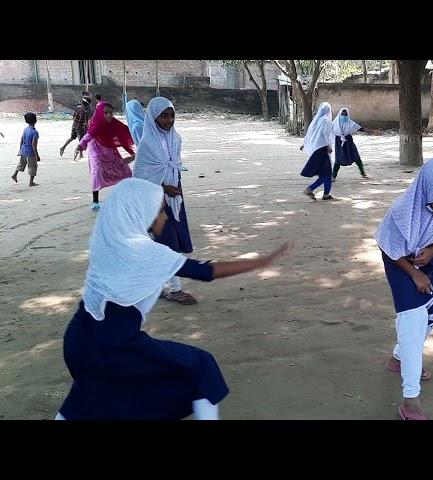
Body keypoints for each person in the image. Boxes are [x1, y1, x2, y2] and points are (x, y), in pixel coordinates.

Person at [53, 178, 292, 420]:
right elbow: (206, 272)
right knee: (201, 366)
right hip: (114, 346)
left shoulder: (108, 243)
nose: (165, 217)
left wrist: (163, 190)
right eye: (160, 211)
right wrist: (259, 262)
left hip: (77, 342)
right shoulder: (147, 253)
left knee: (89, 391)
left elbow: (131, 195)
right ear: (142, 213)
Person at [375, 155, 433, 420]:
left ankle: (399, 358)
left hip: (425, 258)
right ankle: (410, 400)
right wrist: (413, 273)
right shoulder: (400, 213)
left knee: (429, 319)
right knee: (413, 321)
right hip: (398, 260)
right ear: (427, 191)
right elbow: (387, 246)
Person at [134, 97, 196, 304]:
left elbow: (175, 166)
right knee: (168, 245)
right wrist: (163, 188)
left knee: (166, 243)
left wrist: (173, 189)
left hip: (174, 199)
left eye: (172, 115)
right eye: (164, 116)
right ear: (153, 117)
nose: (169, 120)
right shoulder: (146, 144)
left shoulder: (175, 139)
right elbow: (141, 176)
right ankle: (175, 290)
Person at [75, 102, 135, 210]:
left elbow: (126, 132)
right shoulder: (96, 124)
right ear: (100, 114)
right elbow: (88, 136)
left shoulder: (114, 123)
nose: (108, 115)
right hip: (96, 149)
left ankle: (127, 197)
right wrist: (80, 146)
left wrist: (133, 151)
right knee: (96, 171)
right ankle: (95, 201)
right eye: (105, 113)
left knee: (125, 171)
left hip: (110, 149)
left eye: (110, 113)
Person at [300, 102, 335, 201]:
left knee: (326, 174)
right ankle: (310, 189)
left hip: (317, 149)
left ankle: (326, 194)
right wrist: (328, 144)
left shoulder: (317, 120)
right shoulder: (325, 120)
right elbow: (322, 133)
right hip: (322, 150)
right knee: (326, 174)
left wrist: (305, 143)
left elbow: (311, 133)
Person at [331, 107, 372, 181]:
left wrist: (372, 131)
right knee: (338, 159)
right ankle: (333, 176)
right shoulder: (334, 124)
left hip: (349, 142)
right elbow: (327, 130)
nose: (344, 116)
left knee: (356, 157)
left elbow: (360, 128)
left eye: (345, 114)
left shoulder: (350, 123)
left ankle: (363, 174)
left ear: (348, 115)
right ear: (339, 114)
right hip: (339, 142)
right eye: (342, 114)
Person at [11, 112, 41, 187]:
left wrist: (20, 150)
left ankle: (14, 175)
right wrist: (37, 155)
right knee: (33, 166)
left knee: (21, 164)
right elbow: (34, 145)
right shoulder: (35, 132)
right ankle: (31, 182)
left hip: (23, 150)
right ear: (35, 120)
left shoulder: (25, 129)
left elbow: (21, 140)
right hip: (30, 152)